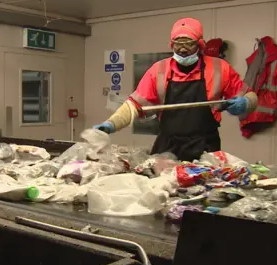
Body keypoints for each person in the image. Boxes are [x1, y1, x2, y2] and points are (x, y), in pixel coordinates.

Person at [94, 18, 258, 162]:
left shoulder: (219, 68)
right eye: (178, 44)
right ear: (171, 44)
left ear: (200, 45)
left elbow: (250, 95)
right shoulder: (158, 70)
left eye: (189, 44)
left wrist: (247, 102)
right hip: (167, 146)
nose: (183, 49)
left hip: (206, 146)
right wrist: (110, 124)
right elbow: (134, 105)